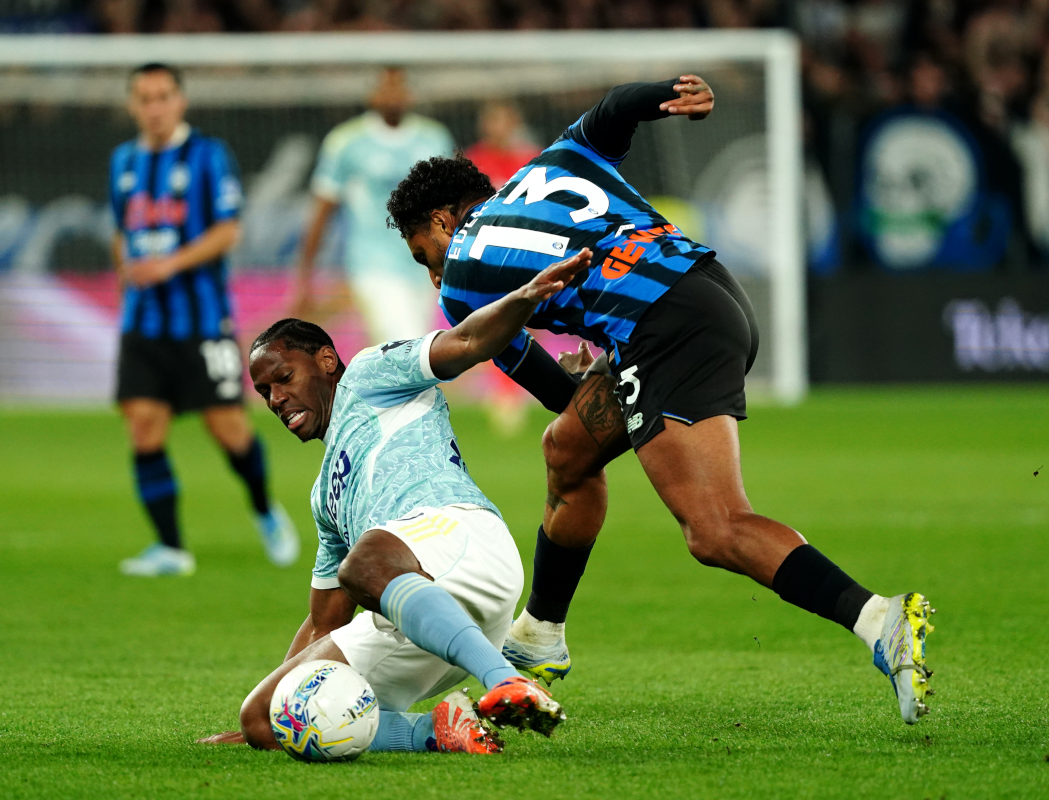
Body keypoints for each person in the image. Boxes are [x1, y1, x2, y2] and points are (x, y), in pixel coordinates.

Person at [386, 76, 937, 724]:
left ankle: (877, 619)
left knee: (714, 528)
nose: (435, 275)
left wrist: (588, 382)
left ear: (443, 221)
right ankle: (540, 631)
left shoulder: (463, 281)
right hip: (713, 291)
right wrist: (668, 93)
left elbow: (544, 385)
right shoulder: (555, 161)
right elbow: (612, 111)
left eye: (425, 255)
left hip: (663, 329)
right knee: (568, 450)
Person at [200, 252, 592, 755]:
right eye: (264, 391)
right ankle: (438, 730)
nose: (275, 398)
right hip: (414, 614)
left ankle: (505, 680)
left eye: (283, 378)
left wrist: (523, 298)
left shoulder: (369, 374)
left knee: (364, 563)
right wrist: (284, 701)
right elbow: (325, 621)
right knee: (265, 716)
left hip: (462, 541)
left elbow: (466, 342)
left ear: (325, 360)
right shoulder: (324, 497)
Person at [110, 62, 299, 576]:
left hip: (202, 321)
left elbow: (228, 231)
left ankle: (264, 510)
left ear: (180, 101)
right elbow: (121, 231)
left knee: (229, 429)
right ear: (132, 105)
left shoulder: (209, 156)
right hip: (142, 324)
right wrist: (125, 272)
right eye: (145, 98)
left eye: (163, 96)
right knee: (143, 427)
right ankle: (170, 547)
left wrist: (168, 264)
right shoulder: (123, 161)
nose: (154, 107)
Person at [290, 67, 454, 345]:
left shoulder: (435, 138)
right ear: (372, 95)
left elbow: (452, 206)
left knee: (410, 344)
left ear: (410, 94)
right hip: (373, 263)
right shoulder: (347, 142)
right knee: (407, 341)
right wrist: (305, 277)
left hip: (424, 264)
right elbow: (322, 210)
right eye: (385, 87)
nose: (393, 95)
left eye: (398, 87)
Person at [464, 100, 543, 437]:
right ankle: (502, 391)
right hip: (483, 256)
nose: (497, 128)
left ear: (514, 124)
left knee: (529, 318)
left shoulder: (532, 161)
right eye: (491, 121)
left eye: (503, 121)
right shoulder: (472, 161)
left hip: (526, 251)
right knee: (493, 320)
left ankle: (517, 389)